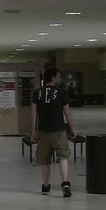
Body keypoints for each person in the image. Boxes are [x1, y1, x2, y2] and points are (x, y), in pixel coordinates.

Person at [31, 67, 77, 196]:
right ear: (52, 78)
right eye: (59, 76)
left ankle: (45, 186)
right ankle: (65, 183)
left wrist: (33, 131)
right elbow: (67, 112)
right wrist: (73, 128)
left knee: (44, 160)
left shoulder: (37, 92)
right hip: (58, 130)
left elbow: (34, 113)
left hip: (43, 131)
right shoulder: (62, 92)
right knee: (63, 156)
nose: (60, 78)